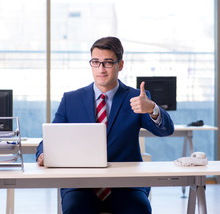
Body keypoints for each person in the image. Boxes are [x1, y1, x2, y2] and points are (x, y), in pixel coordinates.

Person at [36, 36, 174, 214]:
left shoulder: (137, 98)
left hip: (127, 186)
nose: (101, 68)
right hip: (81, 185)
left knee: (139, 209)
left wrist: (152, 109)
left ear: (120, 65)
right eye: (96, 62)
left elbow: (166, 130)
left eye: (107, 62)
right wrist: (43, 153)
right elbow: (50, 138)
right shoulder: (71, 100)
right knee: (74, 209)